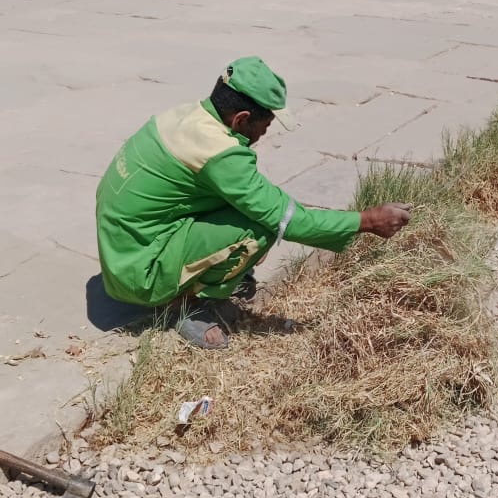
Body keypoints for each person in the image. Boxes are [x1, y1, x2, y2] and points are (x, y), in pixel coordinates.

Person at [96, 56, 411, 349]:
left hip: (122, 246)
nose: (265, 131)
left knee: (251, 209)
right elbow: (287, 218)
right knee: (260, 230)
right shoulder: (219, 153)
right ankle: (184, 305)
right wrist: (367, 221)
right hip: (139, 269)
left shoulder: (188, 116)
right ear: (241, 118)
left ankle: (198, 273)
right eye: (266, 124)